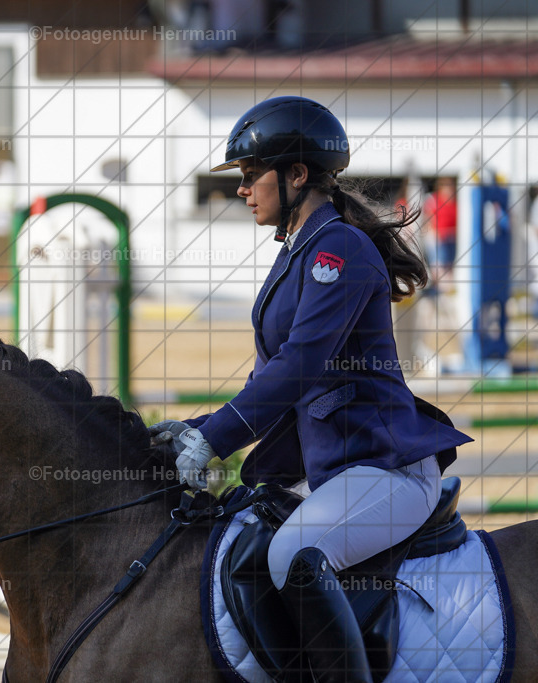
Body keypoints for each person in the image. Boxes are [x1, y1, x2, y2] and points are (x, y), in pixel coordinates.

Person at [151, 96, 471, 682]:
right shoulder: (297, 251)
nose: (242, 189)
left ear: (296, 174)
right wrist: (194, 432)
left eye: (252, 174)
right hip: (334, 473)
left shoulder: (337, 249)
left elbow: (300, 365)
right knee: (239, 544)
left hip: (384, 469)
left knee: (294, 555)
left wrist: (217, 440)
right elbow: (268, 377)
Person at [422, 177, 457, 288]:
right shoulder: (434, 199)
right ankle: (439, 285)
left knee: (450, 262)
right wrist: (435, 232)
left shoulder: (455, 202)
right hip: (437, 236)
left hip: (451, 236)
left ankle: (446, 285)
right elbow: (429, 218)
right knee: (439, 260)